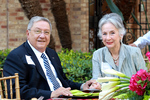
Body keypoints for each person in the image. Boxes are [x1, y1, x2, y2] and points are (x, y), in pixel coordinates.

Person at [3, 16, 98, 100]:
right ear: (28, 33)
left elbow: (63, 81)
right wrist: (51, 94)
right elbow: (16, 92)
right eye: (38, 31)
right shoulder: (16, 56)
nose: (42, 36)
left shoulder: (51, 53)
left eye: (46, 32)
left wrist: (82, 86)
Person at [91, 13, 147, 81]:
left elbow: (144, 80)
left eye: (112, 33)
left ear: (121, 34)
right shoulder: (97, 55)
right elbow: (96, 80)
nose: (108, 38)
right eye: (104, 34)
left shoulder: (134, 52)